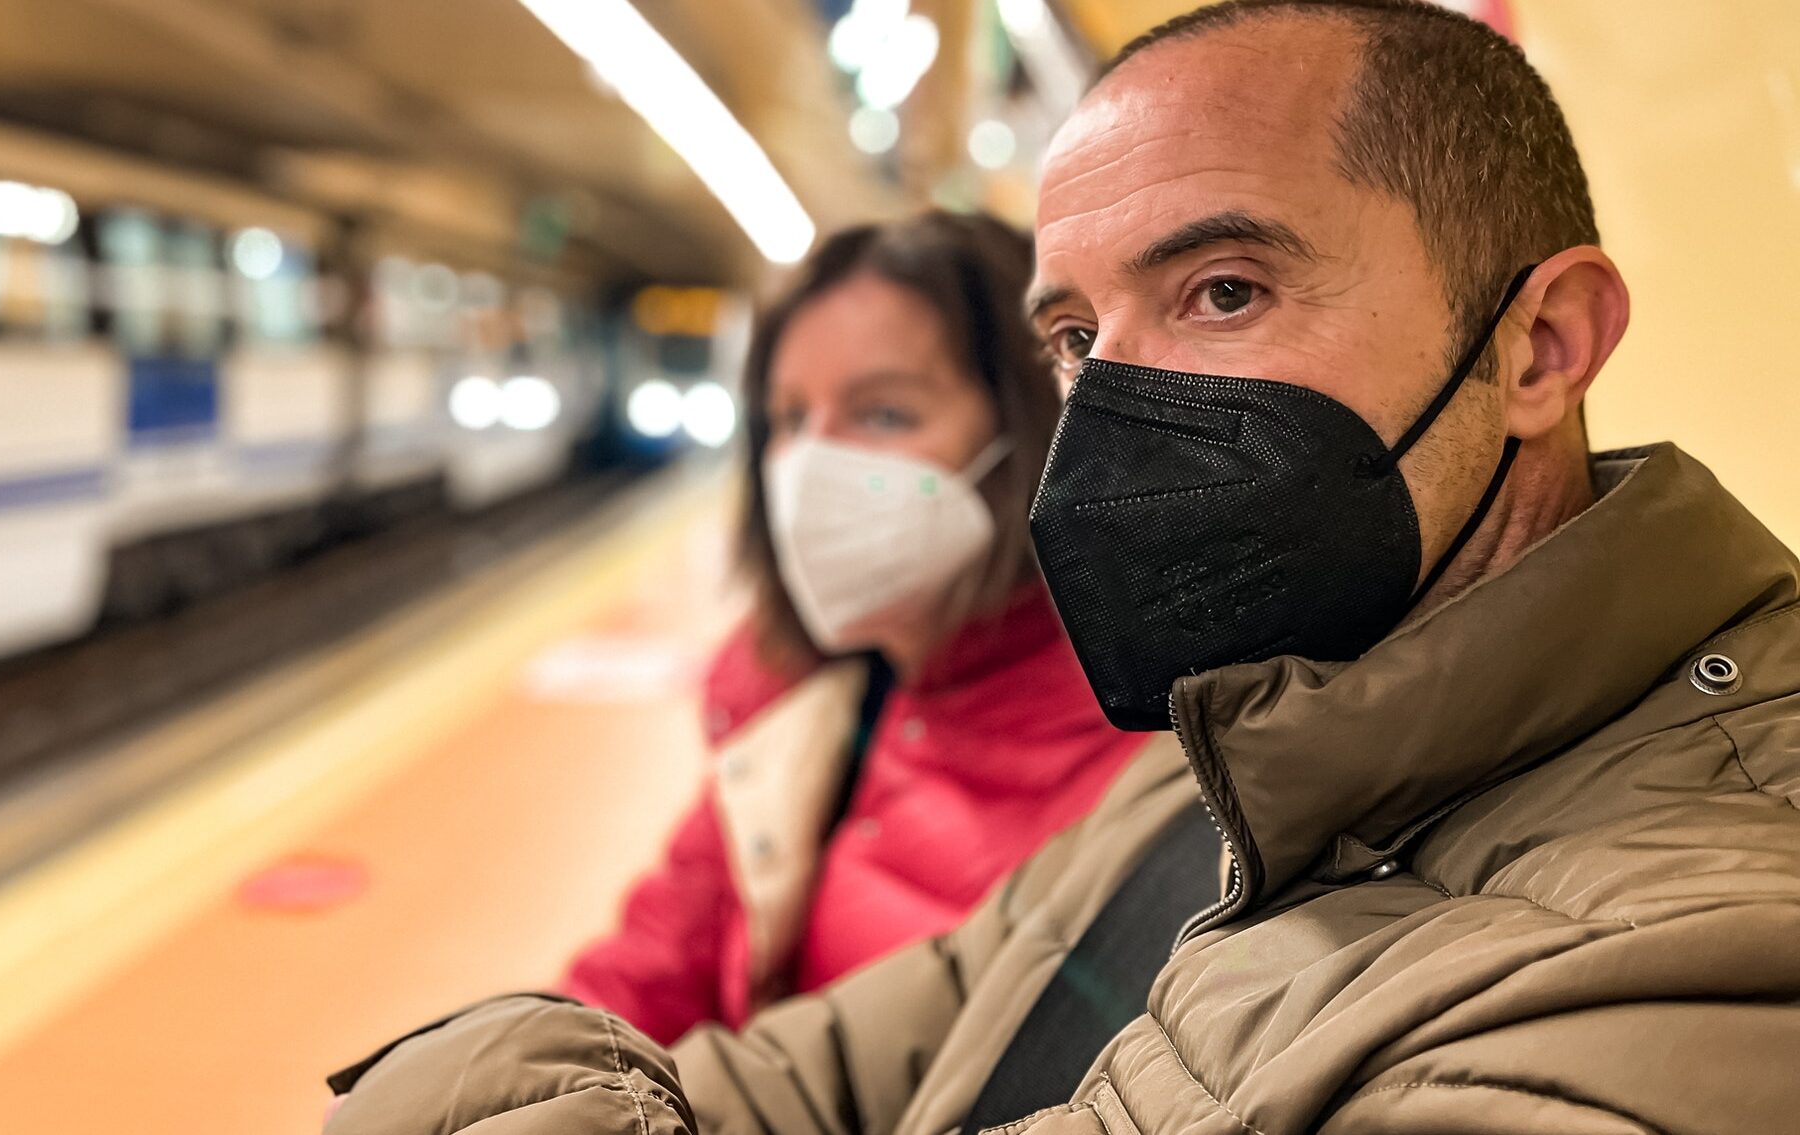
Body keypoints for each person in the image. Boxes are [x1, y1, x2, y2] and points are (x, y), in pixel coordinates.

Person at [324, 3, 1800, 1133]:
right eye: (1079, 340)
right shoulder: (1236, 739)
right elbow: (834, 1060)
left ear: (1541, 346)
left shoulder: (1709, 937)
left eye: (1225, 290)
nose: (1111, 411)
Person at [560, 212, 1154, 1044]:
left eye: (884, 416)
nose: (809, 467)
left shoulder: (1150, 753)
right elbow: (653, 961)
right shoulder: (800, 700)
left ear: (1032, 430)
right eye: (790, 420)